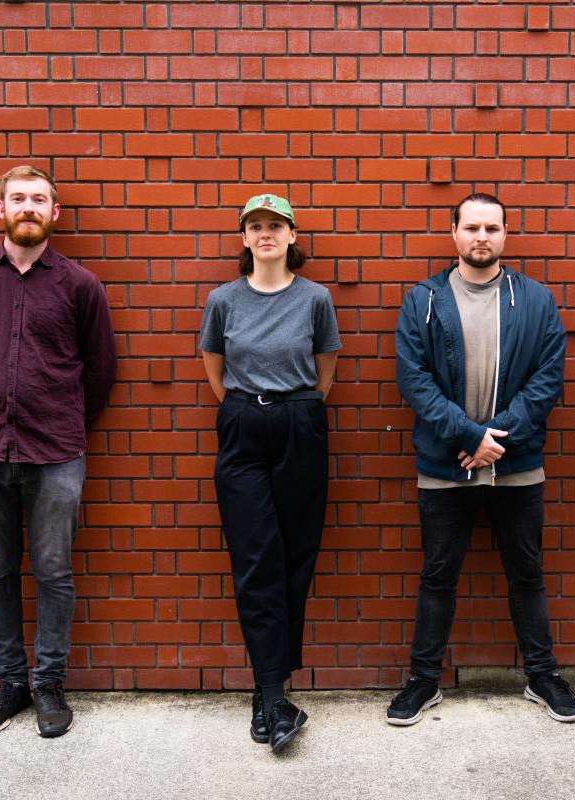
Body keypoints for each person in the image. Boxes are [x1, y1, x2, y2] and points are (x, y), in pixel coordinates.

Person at [388, 192, 575, 727]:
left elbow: (548, 378)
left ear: (504, 235)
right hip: (445, 465)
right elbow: (415, 381)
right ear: (453, 232)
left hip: (516, 464)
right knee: (437, 577)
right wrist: (470, 436)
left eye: (492, 228)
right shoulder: (423, 299)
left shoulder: (535, 299)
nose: (482, 237)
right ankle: (422, 681)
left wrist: (498, 439)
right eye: (471, 227)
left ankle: (542, 676)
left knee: (527, 574)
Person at [0, 165, 117, 738]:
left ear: (55, 213)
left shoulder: (80, 286)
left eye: (39, 199)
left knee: (54, 571)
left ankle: (49, 685)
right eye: (18, 198)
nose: (28, 207)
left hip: (56, 452)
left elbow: (100, 369)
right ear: (0, 210)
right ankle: (10, 684)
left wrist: (65, 419)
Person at [198, 193, 341, 753]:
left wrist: (296, 408)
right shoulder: (223, 300)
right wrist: (248, 407)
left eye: (274, 226)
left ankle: (270, 692)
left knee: (296, 554)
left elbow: (325, 366)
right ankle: (272, 694)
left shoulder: (315, 299)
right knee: (255, 556)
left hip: (300, 421)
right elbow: (214, 367)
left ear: (291, 235)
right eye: (254, 226)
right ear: (243, 238)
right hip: (242, 425)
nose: (265, 234)